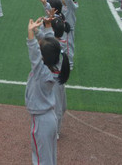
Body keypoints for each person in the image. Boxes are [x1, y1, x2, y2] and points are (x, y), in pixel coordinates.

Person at [25, 17, 70, 165]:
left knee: (40, 160)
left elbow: (34, 52)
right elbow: (50, 43)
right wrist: (40, 30)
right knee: (49, 158)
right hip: (49, 118)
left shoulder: (41, 71)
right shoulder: (55, 62)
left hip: (41, 121)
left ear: (43, 57)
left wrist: (30, 34)